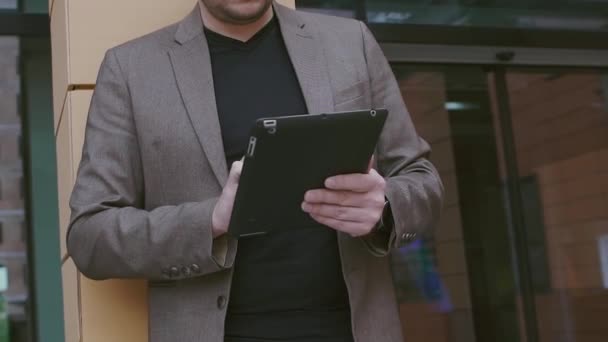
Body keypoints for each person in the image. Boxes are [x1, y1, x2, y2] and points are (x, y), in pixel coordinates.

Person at [67, 0, 444, 341]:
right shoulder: (130, 70)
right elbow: (90, 236)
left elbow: (421, 178)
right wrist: (210, 220)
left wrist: (385, 207)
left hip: (351, 328)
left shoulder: (350, 42)